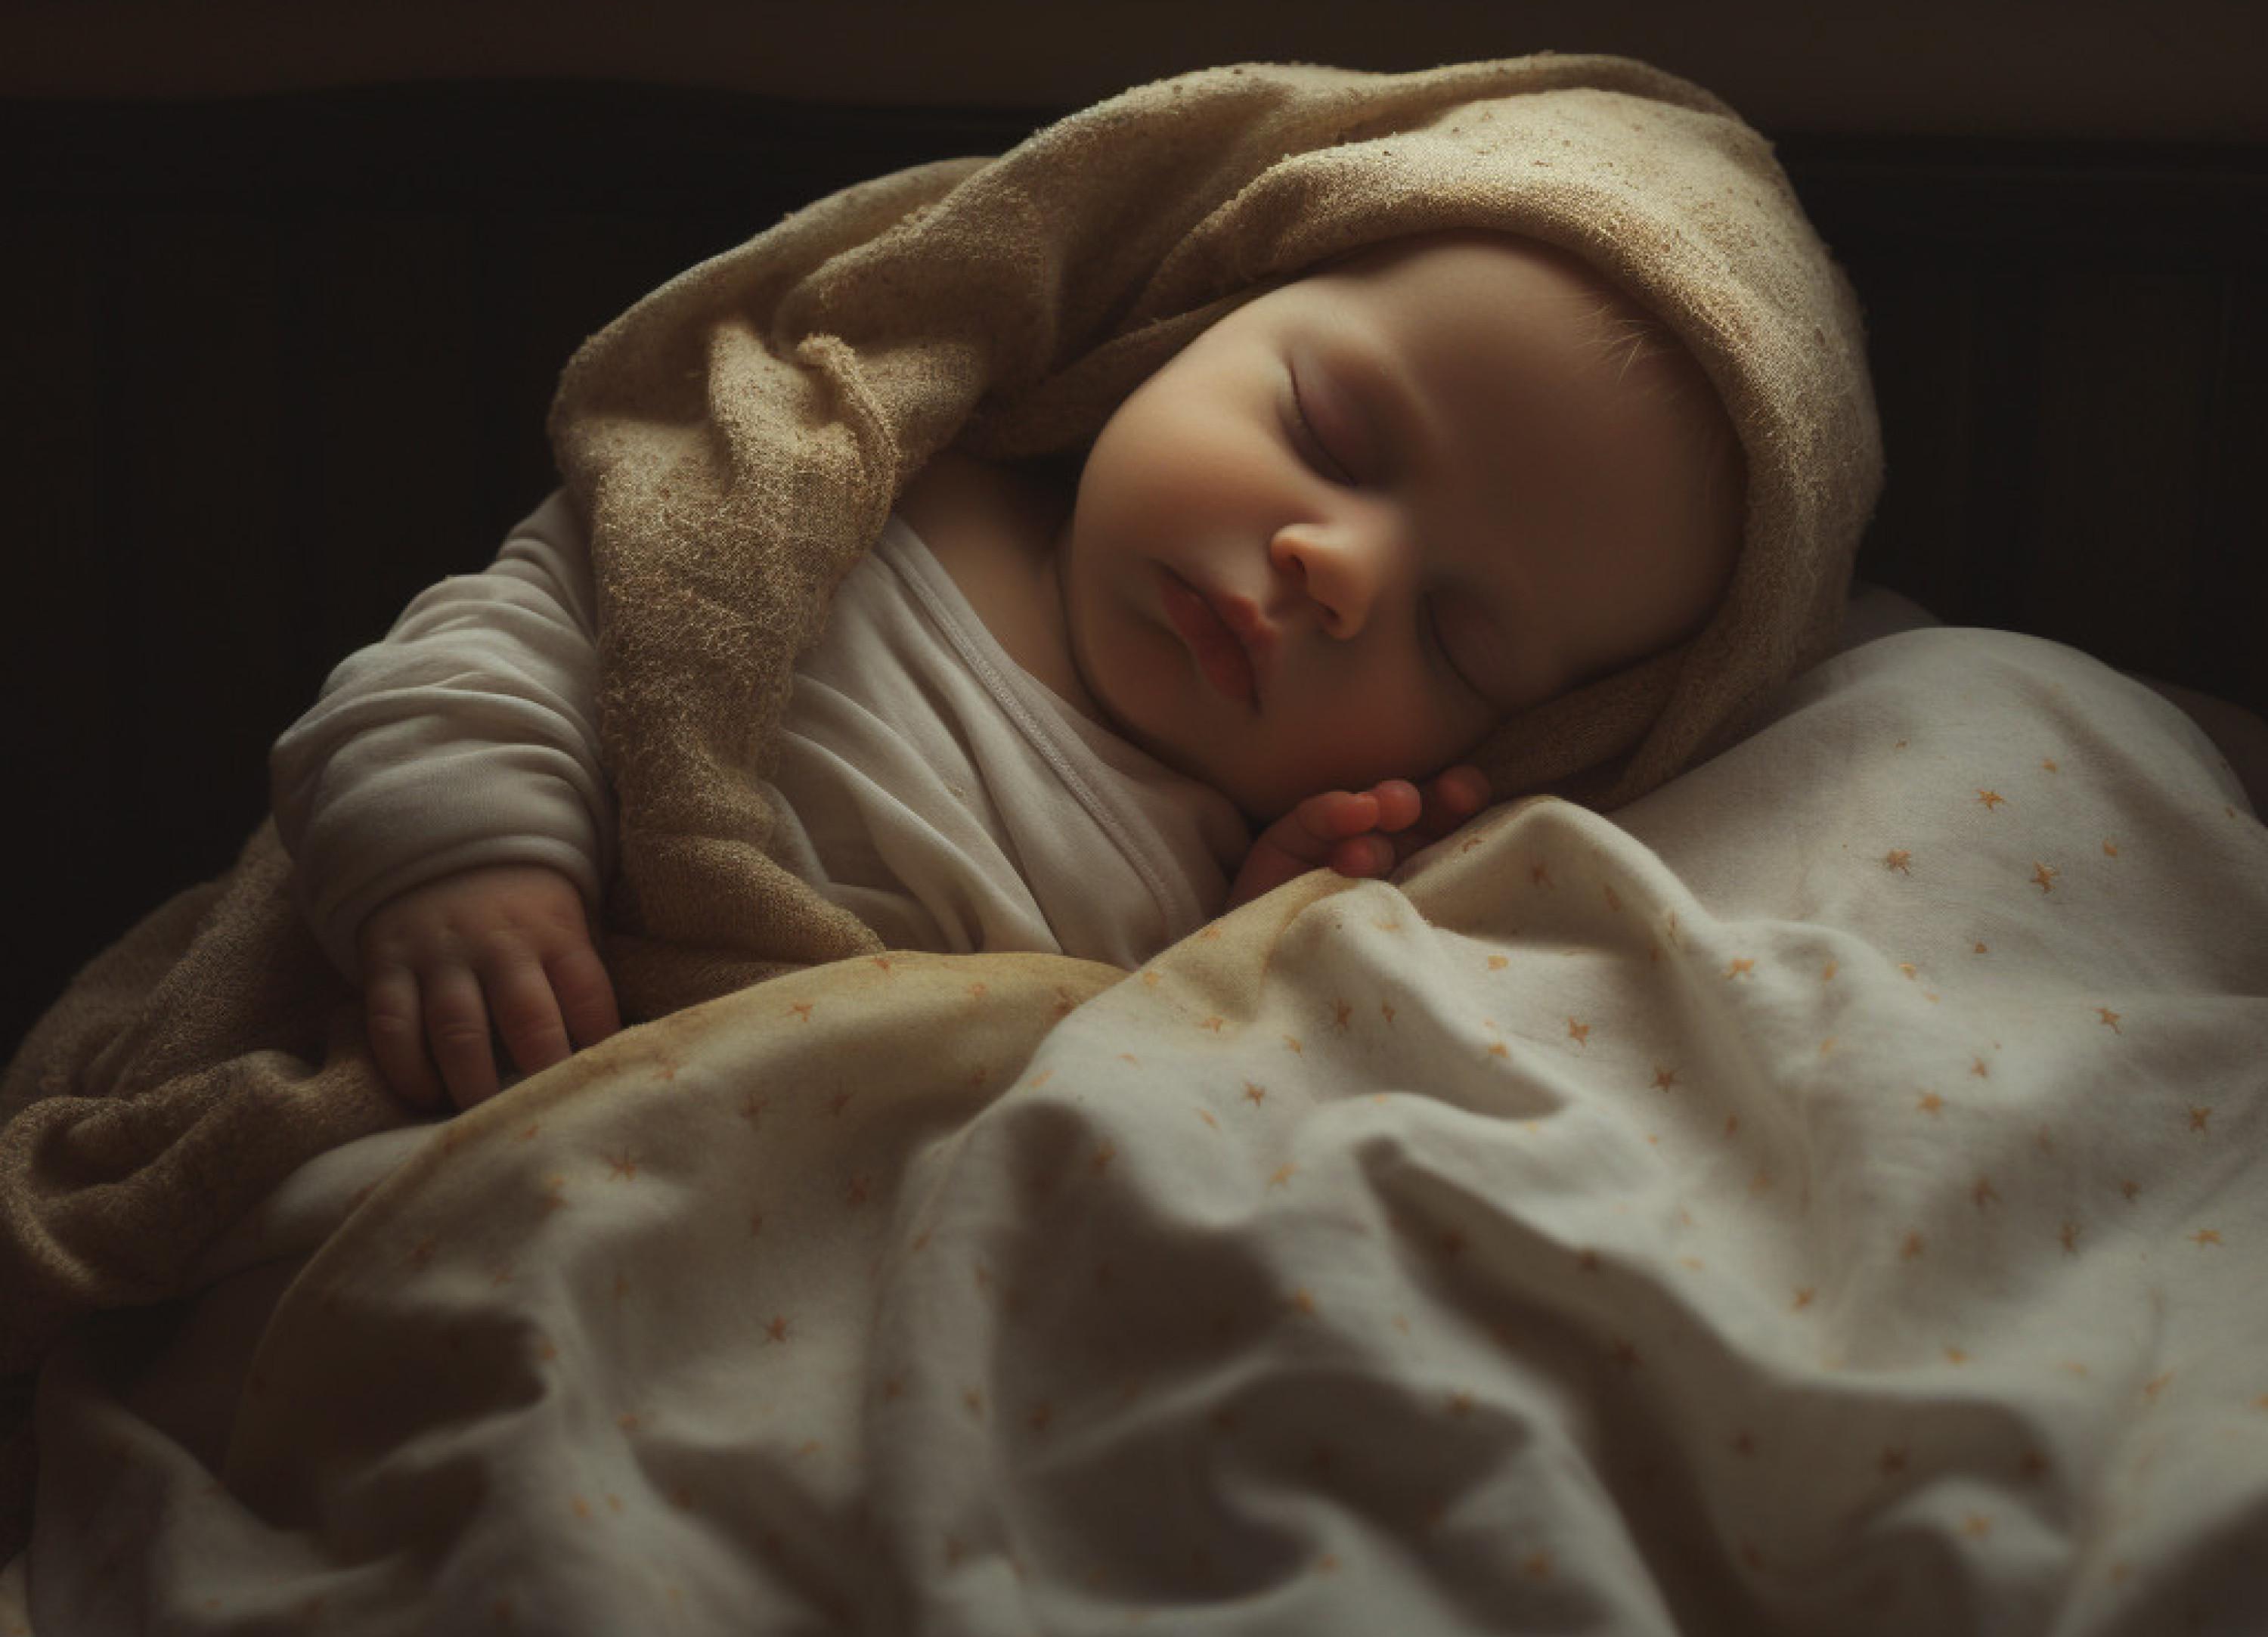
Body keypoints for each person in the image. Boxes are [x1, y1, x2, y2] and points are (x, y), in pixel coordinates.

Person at [271, 231, 1744, 1116]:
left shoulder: (1217, 866)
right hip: (504, 1058)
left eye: (1455, 639)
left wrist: (1243, 940)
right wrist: (468, 859)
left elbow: (1125, 1097)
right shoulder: (838, 490)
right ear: (1191, 327)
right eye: (1334, 437)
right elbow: (524, 621)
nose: (1340, 570)